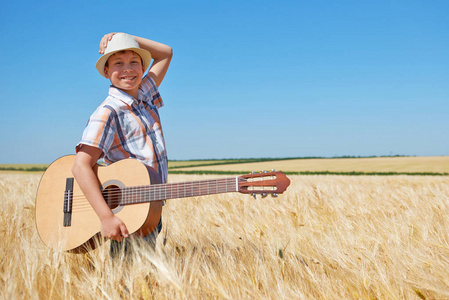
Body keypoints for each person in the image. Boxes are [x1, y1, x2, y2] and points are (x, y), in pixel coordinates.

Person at [71, 32, 173, 254]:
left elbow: (166, 53)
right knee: (127, 280)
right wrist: (106, 216)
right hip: (126, 213)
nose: (128, 69)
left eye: (134, 62)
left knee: (144, 277)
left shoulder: (145, 95)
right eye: (118, 63)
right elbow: (80, 165)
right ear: (106, 72)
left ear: (143, 68)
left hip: (151, 206)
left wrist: (125, 35)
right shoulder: (108, 112)